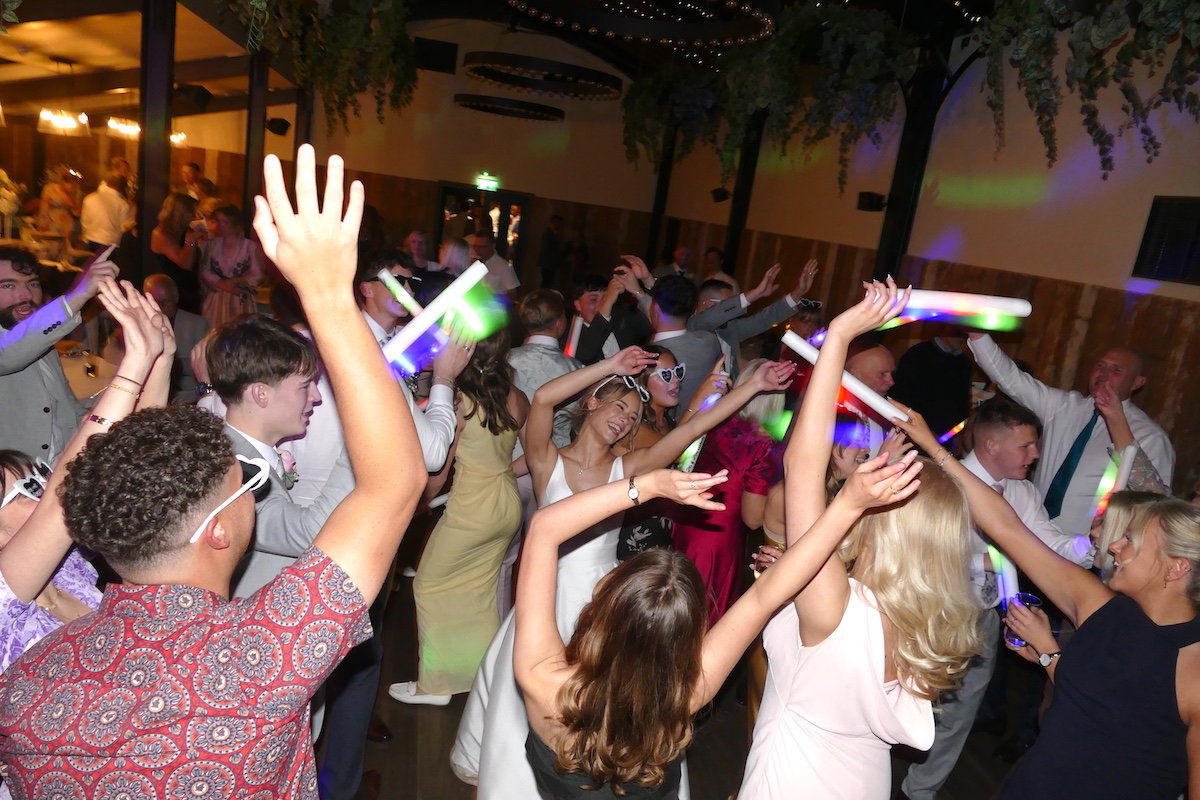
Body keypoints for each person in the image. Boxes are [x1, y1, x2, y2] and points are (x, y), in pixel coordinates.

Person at [0, 144, 426, 798]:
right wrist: (327, 296)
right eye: (242, 488)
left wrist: (146, 365)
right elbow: (396, 482)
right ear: (217, 531)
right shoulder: (260, 658)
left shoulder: (28, 680)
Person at [512, 379, 923, 797]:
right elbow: (765, 595)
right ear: (689, 633)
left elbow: (544, 528)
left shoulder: (541, 678)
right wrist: (849, 505)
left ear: (601, 606)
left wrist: (648, 487)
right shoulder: (687, 694)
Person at [451, 346, 796, 798]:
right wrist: (610, 367)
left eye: (633, 417)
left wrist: (751, 388)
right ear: (592, 402)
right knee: (527, 706)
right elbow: (543, 400)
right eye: (619, 407)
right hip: (545, 598)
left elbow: (692, 428)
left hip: (604, 602)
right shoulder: (546, 459)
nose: (626, 420)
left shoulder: (627, 468)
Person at [740, 280, 981, 799]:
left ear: (885, 521)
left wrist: (841, 335)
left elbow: (802, 465)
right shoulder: (926, 622)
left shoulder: (835, 605)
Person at [895, 404, 1200, 800]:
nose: (1115, 546)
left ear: (1176, 568)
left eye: (1132, 541)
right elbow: (1007, 528)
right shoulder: (1101, 607)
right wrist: (935, 450)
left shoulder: (1193, 669)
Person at [898, 397, 1096, 800]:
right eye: (1026, 445)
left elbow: (1048, 541)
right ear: (991, 445)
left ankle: (918, 792)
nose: (1036, 454)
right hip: (928, 611)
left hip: (983, 617)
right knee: (903, 698)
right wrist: (989, 560)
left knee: (959, 713)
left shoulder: (1022, 492)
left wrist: (1090, 544)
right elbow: (914, 552)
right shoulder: (939, 480)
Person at [392, 330, 528, 705]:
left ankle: (435, 685)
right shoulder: (518, 398)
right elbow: (532, 457)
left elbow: (438, 474)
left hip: (472, 507)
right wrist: (499, 473)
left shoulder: (460, 402)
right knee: (480, 593)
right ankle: (485, 677)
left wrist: (413, 509)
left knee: (428, 585)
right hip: (506, 503)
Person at [967, 333, 1174, 538]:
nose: (1103, 374)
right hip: (1028, 531)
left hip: (1086, 548)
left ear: (1137, 382)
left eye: (1116, 370)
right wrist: (978, 336)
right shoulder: (1063, 406)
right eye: (1100, 366)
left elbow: (1155, 505)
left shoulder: (1149, 436)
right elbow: (1011, 378)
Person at [671, 359, 784, 624]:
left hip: (686, 522)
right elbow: (752, 518)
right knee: (703, 618)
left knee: (675, 604)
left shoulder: (715, 420)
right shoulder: (763, 445)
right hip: (718, 539)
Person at [0, 247, 118, 460]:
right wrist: (80, 293)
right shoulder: (25, 341)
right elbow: (8, 354)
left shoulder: (43, 343)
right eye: (8, 285)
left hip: (60, 469)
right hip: (15, 476)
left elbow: (68, 411)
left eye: (32, 284)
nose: (26, 295)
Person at [507, 289, 583, 447]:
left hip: (507, 450)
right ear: (559, 323)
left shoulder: (505, 359)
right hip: (553, 452)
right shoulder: (577, 370)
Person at [889, 328, 973, 440]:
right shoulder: (917, 354)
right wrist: (923, 429)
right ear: (945, 328)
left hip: (949, 436)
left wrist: (960, 434)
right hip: (917, 432)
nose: (963, 338)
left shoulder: (964, 362)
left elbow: (963, 404)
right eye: (958, 333)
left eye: (966, 335)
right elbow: (901, 396)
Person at [198, 204, 263, 329]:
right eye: (217, 221)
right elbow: (205, 270)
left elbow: (257, 274)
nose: (219, 225)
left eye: (224, 222)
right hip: (217, 299)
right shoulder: (211, 245)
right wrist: (222, 284)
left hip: (240, 299)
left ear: (235, 224)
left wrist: (235, 281)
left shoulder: (250, 247)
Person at [149, 192, 203, 313]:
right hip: (173, 291)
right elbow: (185, 264)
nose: (195, 216)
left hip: (191, 288)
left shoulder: (185, 229)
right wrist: (192, 241)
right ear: (181, 213)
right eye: (192, 212)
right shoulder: (161, 234)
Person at [79, 172, 134, 252]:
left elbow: (84, 221)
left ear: (108, 183)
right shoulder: (123, 205)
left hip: (89, 240)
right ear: (122, 188)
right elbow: (124, 228)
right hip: (110, 244)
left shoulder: (90, 198)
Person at [34, 166, 82, 241]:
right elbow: (44, 208)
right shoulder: (50, 188)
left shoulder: (76, 192)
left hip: (67, 227)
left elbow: (77, 213)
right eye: (65, 179)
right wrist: (42, 224)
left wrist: (72, 195)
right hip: (51, 225)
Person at [469, 230, 520, 295]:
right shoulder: (471, 260)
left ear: (493, 246)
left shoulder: (503, 266)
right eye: (475, 246)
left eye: (482, 247)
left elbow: (512, 294)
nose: (477, 249)